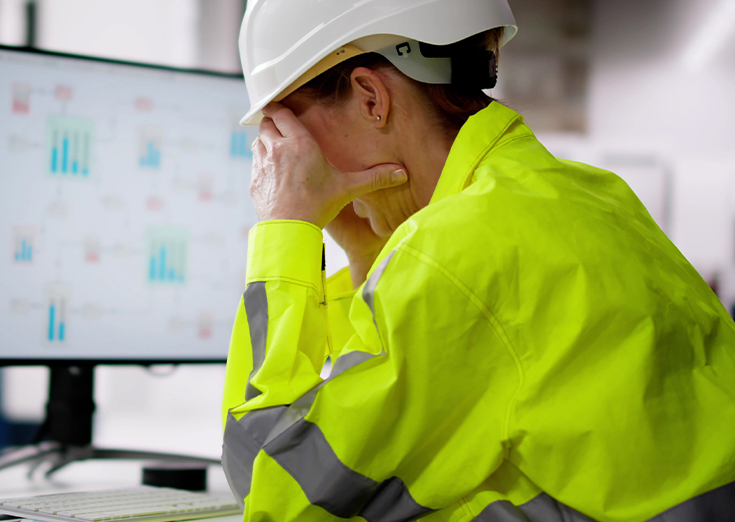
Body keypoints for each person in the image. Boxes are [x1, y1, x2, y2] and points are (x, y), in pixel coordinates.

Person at [220, 1, 735, 521]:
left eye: (288, 133)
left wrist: (285, 228)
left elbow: (275, 490)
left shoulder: (452, 254)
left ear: (371, 98)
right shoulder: (590, 193)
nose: (289, 159)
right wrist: (365, 249)